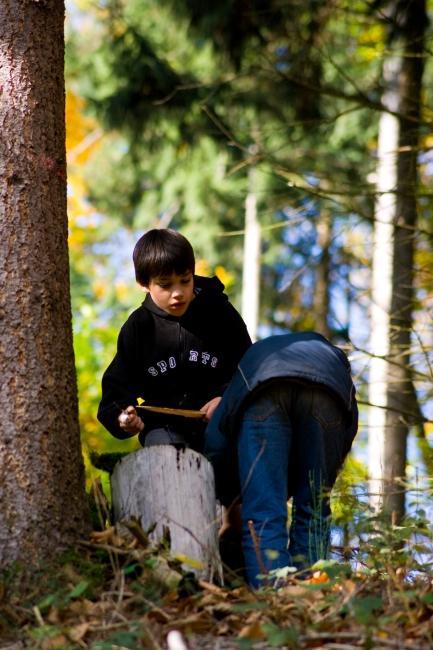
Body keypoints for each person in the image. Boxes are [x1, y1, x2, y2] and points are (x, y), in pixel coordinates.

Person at [204, 332, 358, 587]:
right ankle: (309, 598)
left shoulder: (248, 365)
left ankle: (272, 599)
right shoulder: (329, 355)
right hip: (330, 391)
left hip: (264, 388)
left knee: (264, 510)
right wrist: (325, 476)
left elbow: (215, 440)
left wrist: (226, 496)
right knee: (314, 508)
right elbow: (346, 432)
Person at [97, 229, 252, 450]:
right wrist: (123, 418)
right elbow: (116, 389)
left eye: (185, 281)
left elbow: (249, 367)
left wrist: (226, 399)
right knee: (165, 453)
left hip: (223, 422)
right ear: (144, 283)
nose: (178, 292)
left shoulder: (220, 313)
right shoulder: (138, 327)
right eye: (166, 285)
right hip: (164, 430)